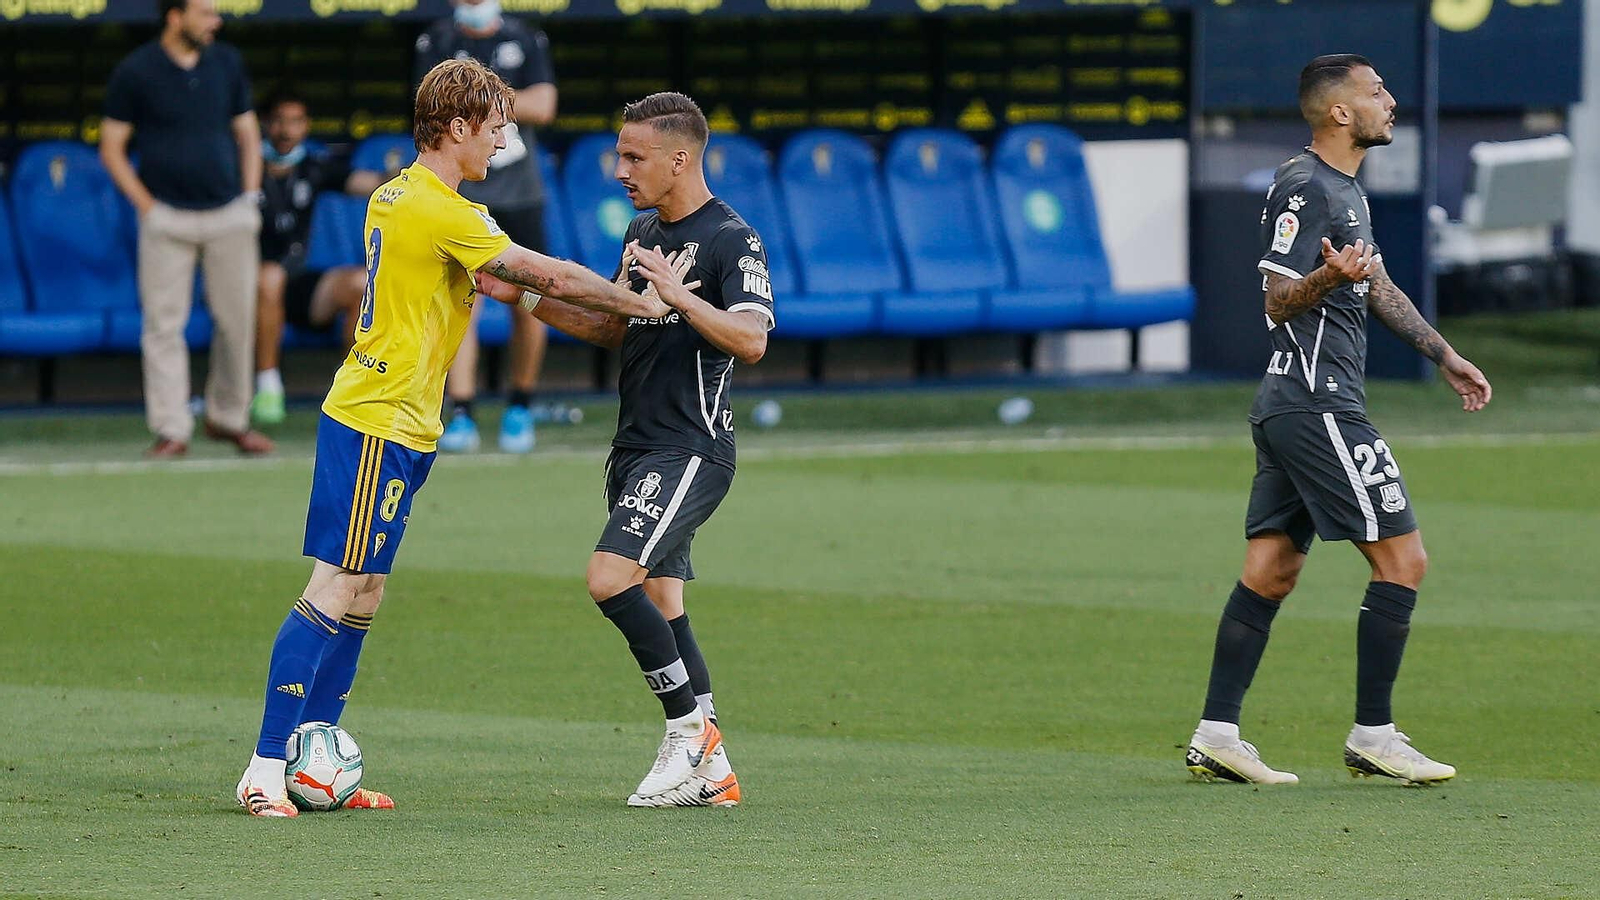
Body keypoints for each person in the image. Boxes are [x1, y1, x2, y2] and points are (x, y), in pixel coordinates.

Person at [233, 58, 679, 818]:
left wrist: (598, 311)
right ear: (460, 126)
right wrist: (646, 303)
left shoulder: (401, 196)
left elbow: (514, 289)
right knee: (335, 583)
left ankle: (316, 753)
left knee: (365, 590)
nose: (501, 143)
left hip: (401, 421)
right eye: (495, 129)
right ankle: (265, 765)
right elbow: (550, 275)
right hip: (377, 418)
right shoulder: (443, 211)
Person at [1184, 55, 1492, 786]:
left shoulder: (1345, 190)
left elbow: (1374, 283)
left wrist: (1443, 354)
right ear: (1340, 113)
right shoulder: (1304, 186)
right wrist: (1328, 276)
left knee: (1272, 569)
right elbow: (1278, 299)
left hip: (1294, 403)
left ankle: (1217, 733)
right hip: (1318, 404)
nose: (1390, 101)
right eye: (1376, 91)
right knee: (1403, 560)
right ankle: (1374, 736)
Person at [477, 92, 774, 807]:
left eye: (634, 156)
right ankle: (716, 772)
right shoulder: (643, 228)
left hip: (691, 444)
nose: (620, 169)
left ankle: (688, 733)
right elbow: (615, 326)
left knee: (610, 577)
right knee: (661, 599)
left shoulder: (734, 239)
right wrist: (518, 295)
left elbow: (753, 340)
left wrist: (681, 295)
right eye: (619, 154)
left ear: (681, 158)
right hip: (636, 445)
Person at [100, 0, 272, 458]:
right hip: (166, 217)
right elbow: (111, 147)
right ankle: (172, 428)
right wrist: (147, 207)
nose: (215, 21)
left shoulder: (227, 62)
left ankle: (229, 418)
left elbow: (248, 134)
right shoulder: (136, 70)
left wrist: (250, 197)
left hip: (228, 214)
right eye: (205, 12)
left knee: (238, 323)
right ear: (175, 16)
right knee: (163, 326)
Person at [414, 0, 558, 454]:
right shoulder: (436, 40)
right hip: (464, 193)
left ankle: (520, 405)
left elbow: (545, 104)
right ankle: (461, 410)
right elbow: (430, 110)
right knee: (463, 301)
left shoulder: (525, 36)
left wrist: (480, 97)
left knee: (532, 298)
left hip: (521, 195)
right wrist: (502, 101)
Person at [250, 88, 372, 425]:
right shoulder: (243, 165)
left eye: (295, 121)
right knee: (270, 276)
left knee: (361, 283)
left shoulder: (313, 167)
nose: (286, 130)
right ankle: (268, 388)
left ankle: (352, 394)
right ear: (264, 124)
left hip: (297, 284)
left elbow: (370, 183)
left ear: (306, 126)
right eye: (279, 121)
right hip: (244, 288)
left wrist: (404, 173)